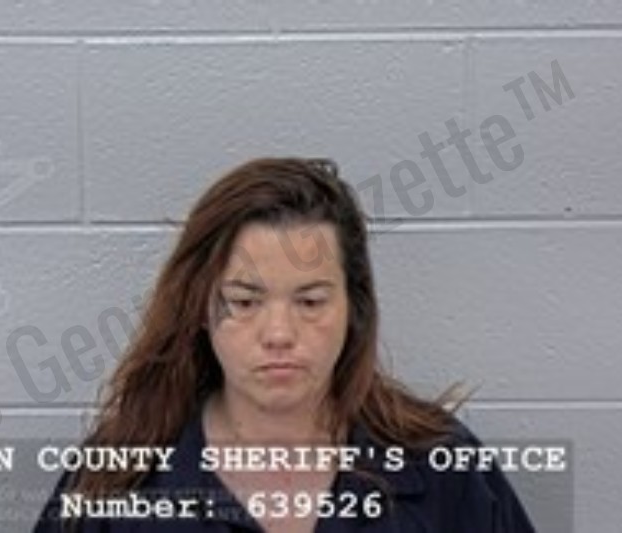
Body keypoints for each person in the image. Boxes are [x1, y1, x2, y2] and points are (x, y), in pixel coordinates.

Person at [34, 157, 536, 532]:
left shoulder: (442, 468)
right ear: (200, 310)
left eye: (311, 301)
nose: (279, 334)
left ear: (354, 308)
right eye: (244, 301)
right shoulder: (119, 475)